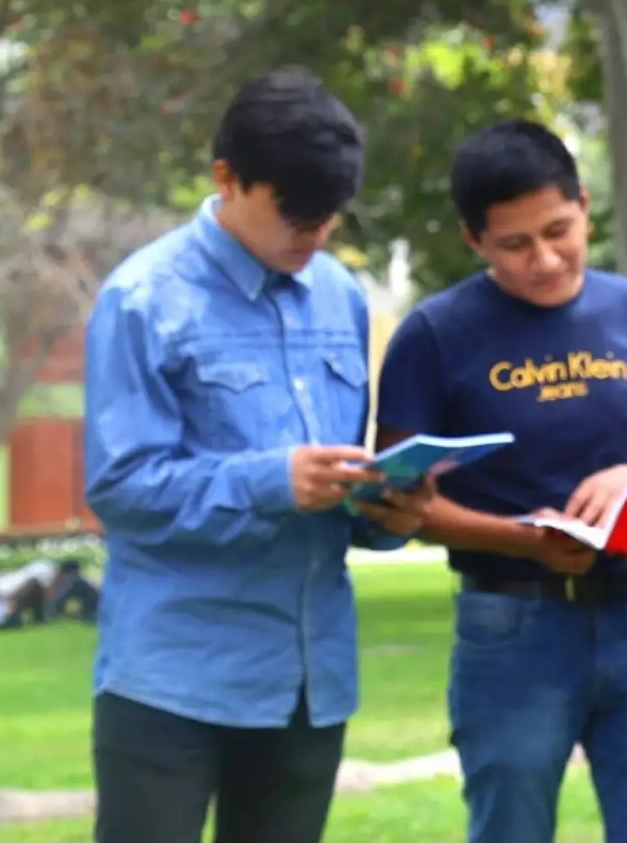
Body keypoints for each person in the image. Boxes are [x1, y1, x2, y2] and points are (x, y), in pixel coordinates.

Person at [83, 68, 431, 843]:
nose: (314, 237)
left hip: (310, 680)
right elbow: (120, 487)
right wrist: (273, 482)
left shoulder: (339, 294)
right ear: (226, 179)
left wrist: (388, 510)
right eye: (296, 215)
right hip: (173, 678)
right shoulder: (143, 299)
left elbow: (339, 485)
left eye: (330, 219)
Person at [375, 119, 627, 843]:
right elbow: (400, 500)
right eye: (515, 244)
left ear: (585, 205)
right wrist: (522, 541)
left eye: (560, 229)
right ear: (474, 240)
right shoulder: (433, 336)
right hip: (511, 627)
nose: (546, 258)